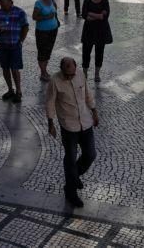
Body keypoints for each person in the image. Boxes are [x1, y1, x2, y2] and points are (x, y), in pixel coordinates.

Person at [46, 57, 99, 208]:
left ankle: (73, 177)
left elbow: (87, 94)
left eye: (72, 74)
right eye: (67, 74)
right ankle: (71, 192)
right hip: (68, 126)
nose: (70, 77)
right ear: (61, 69)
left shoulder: (81, 74)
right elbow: (50, 101)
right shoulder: (55, 81)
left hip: (85, 122)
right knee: (70, 157)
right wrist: (51, 123)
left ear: (76, 68)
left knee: (90, 154)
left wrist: (94, 111)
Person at [0, 0, 29, 104]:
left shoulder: (19, 12)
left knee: (15, 69)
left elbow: (25, 27)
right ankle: (10, 89)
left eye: (3, 3)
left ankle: (18, 91)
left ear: (9, 1)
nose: (1, 5)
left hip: (15, 45)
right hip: (3, 45)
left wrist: (21, 40)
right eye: (0, 3)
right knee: (5, 69)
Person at [80, 0, 112, 83]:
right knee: (86, 53)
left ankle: (97, 74)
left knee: (99, 53)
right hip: (88, 31)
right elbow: (85, 15)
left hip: (101, 32)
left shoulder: (105, 2)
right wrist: (98, 15)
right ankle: (84, 73)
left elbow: (104, 17)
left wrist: (91, 14)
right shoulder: (87, 1)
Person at [33, 0, 61, 82]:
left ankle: (44, 71)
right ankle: (43, 73)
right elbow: (34, 17)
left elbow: (55, 10)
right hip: (42, 31)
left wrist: (55, 21)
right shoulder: (38, 3)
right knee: (42, 52)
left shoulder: (52, 0)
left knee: (48, 51)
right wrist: (46, 17)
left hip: (53, 30)